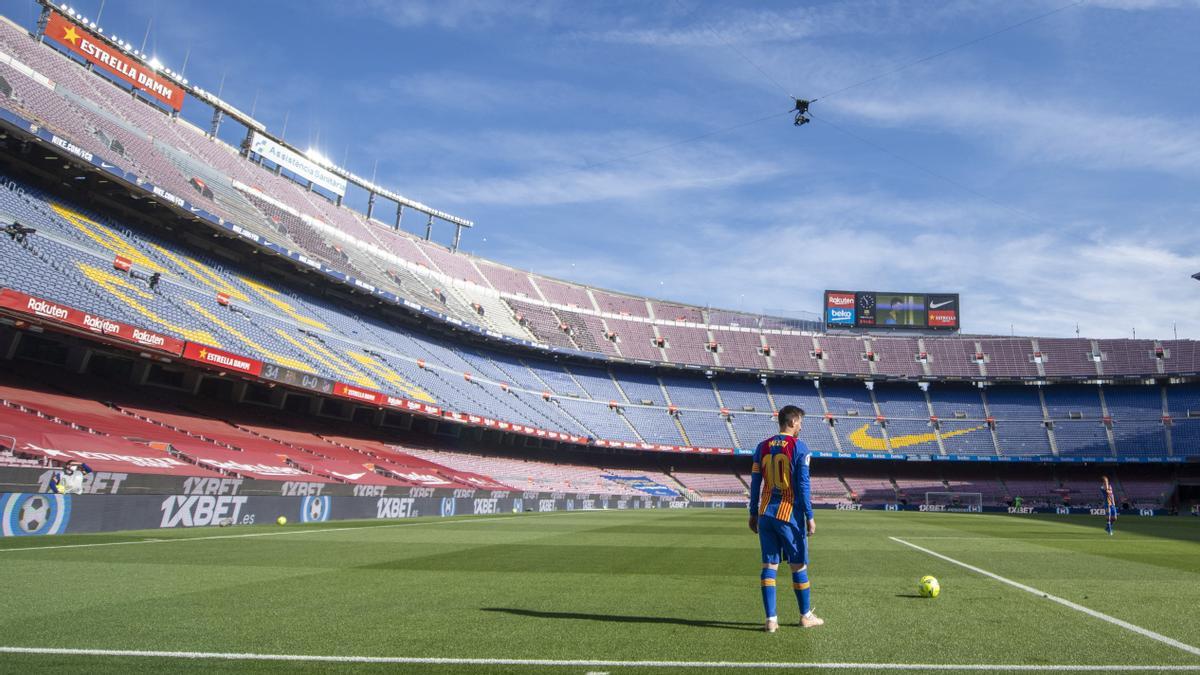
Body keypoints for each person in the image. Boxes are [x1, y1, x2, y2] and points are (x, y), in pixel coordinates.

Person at [749, 405, 822, 632]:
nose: (801, 426)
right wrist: (809, 515)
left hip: (765, 514)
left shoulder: (762, 447)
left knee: (769, 565)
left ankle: (771, 620)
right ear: (791, 422)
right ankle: (805, 615)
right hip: (788, 514)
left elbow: (754, 484)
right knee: (798, 565)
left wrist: (753, 512)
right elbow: (802, 484)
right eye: (799, 421)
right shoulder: (799, 447)